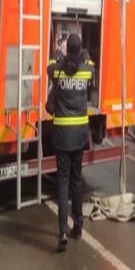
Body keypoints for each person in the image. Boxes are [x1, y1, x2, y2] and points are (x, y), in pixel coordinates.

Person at [46, 34, 94, 252]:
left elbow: (49, 66)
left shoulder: (57, 71)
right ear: (80, 49)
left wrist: (58, 53)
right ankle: (79, 226)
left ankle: (62, 232)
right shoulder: (87, 70)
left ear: (68, 50)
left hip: (62, 136)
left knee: (62, 182)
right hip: (79, 136)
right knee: (76, 181)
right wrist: (83, 54)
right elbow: (90, 63)